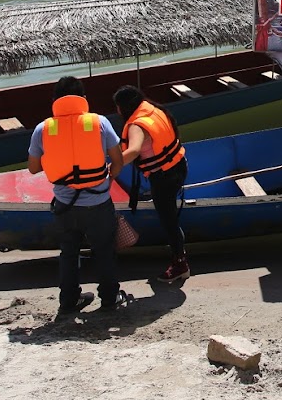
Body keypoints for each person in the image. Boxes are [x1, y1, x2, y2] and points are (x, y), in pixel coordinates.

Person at [28, 77, 127, 314]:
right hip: (98, 203)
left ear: (55, 101)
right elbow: (118, 160)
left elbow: (32, 167)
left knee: (69, 253)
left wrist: (58, 161)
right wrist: (107, 180)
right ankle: (110, 299)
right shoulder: (99, 122)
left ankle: (69, 301)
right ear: (83, 99)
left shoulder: (43, 128)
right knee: (104, 250)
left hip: (64, 205)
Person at [113, 85, 191, 283]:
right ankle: (179, 259)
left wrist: (112, 166)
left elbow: (133, 150)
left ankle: (180, 264)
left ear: (124, 107)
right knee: (170, 217)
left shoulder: (136, 125)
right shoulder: (153, 109)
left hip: (163, 178)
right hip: (178, 167)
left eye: (118, 107)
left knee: (169, 222)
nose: (117, 111)